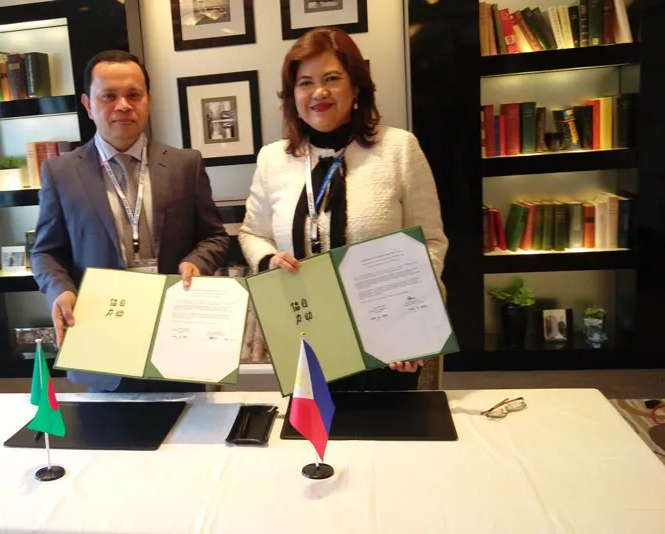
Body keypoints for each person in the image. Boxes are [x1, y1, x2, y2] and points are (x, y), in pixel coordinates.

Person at [238, 27, 448, 391]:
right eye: (305, 83)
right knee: (313, 426)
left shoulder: (398, 148)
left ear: (356, 88)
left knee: (388, 424)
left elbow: (430, 242)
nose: (318, 92)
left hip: (385, 338)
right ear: (292, 95)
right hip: (308, 335)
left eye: (332, 78)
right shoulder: (273, 159)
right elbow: (252, 233)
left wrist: (408, 317)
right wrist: (270, 259)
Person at [30, 50, 229, 393]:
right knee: (108, 426)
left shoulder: (185, 164)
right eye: (108, 96)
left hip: (176, 335)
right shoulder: (60, 172)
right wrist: (59, 289)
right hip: (102, 339)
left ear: (148, 100)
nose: (123, 105)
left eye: (133, 95)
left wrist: (197, 262)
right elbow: (45, 251)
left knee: (187, 424)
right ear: (88, 104)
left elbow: (215, 237)